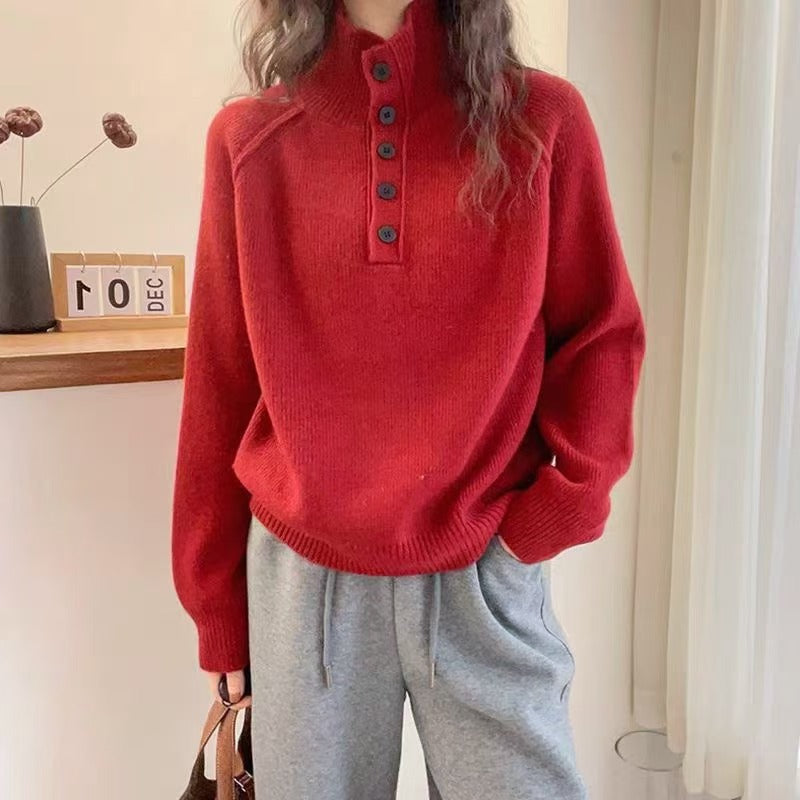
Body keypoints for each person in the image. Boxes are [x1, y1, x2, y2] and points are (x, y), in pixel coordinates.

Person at [172, 0, 645, 797]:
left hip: (482, 566)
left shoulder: (542, 122)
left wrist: (557, 509)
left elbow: (601, 334)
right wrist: (218, 613)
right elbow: (220, 381)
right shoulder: (249, 141)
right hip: (305, 582)